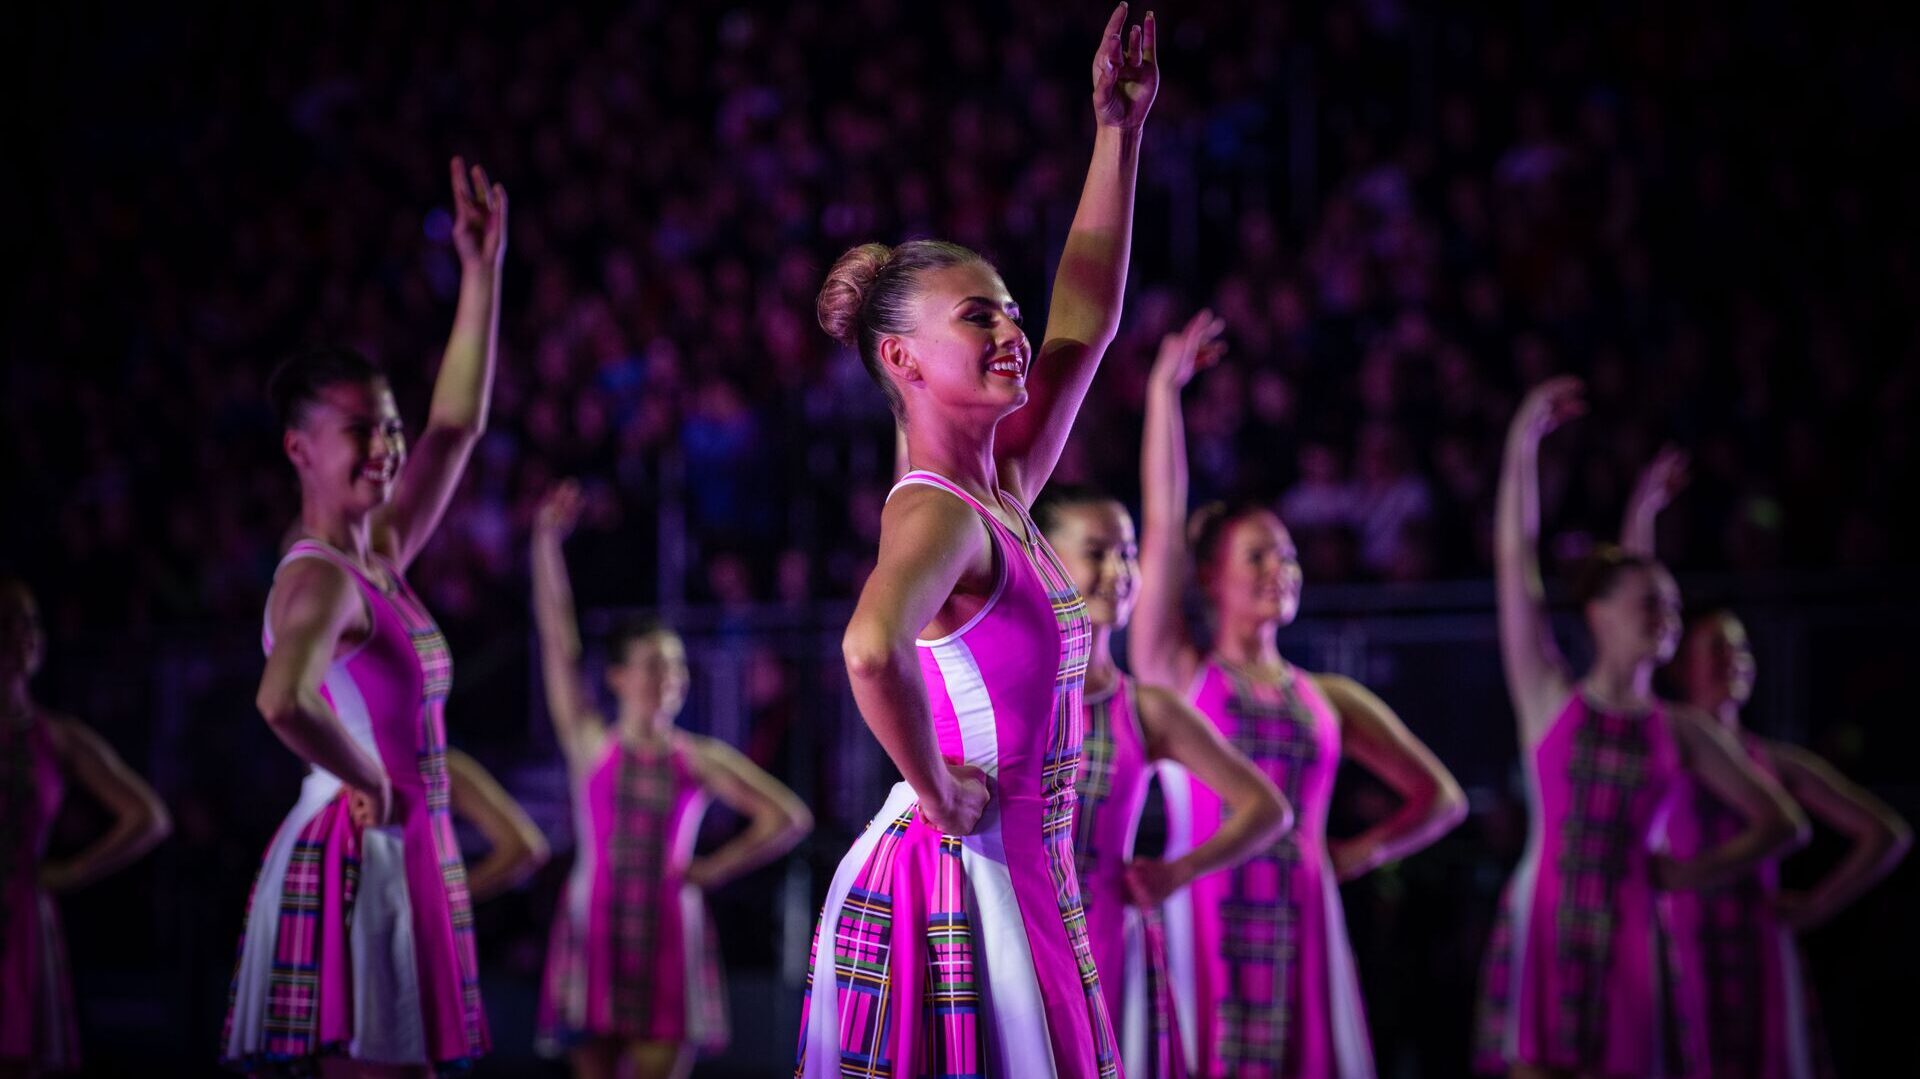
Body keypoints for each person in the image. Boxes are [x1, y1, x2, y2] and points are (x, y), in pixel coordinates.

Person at [796, 6, 1157, 1074]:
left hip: (1030, 877)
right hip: (974, 881)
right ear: (903, 359)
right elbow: (868, 646)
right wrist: (936, 784)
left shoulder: (998, 484)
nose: (1011, 332)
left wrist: (1119, 134)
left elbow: (1082, 317)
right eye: (979, 318)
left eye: (1006, 310)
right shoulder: (941, 510)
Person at [222, 158, 506, 1077]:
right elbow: (280, 698)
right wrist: (368, 780)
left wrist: (481, 270)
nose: (387, 446)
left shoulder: (374, 552)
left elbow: (454, 425)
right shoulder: (321, 580)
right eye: (363, 430)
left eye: (387, 426)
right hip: (364, 841)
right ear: (301, 448)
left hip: (396, 837)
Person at [1131, 311, 1467, 1079]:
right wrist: (1163, 394)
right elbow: (1160, 524)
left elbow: (1440, 798)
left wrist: (1353, 853)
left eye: (1288, 554)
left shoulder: (1329, 697)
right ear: (1210, 576)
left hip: (1301, 920)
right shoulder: (1180, 670)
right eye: (1260, 554)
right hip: (1204, 910)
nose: (1282, 566)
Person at [1474, 377, 1808, 1079]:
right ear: (1598, 612)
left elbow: (1781, 820)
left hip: (1634, 923)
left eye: (1674, 606)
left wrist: (1691, 873)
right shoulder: (1547, 695)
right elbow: (1515, 558)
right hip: (1551, 913)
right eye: (1651, 602)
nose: (1668, 615)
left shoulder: (1679, 729)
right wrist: (1521, 445)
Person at [1623, 450, 1913, 1079]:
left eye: (1742, 650)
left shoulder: (1772, 762)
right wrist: (1642, 513)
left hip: (1757, 948)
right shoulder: (1670, 739)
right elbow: (1634, 620)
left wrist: (1816, 907)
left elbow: (1886, 832)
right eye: (1719, 649)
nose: (1736, 661)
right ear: (1683, 665)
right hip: (1681, 946)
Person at [530, 481, 812, 1079]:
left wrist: (713, 868)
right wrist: (544, 544)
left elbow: (788, 817)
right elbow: (559, 642)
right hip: (596, 924)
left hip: (667, 932)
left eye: (678, 666)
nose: (672, 678)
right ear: (618, 678)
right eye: (657, 665)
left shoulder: (698, 756)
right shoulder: (591, 743)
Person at [1033, 487, 1291, 1079]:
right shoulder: (1010, 693)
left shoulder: (1143, 708)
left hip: (1106, 941)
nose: (1119, 572)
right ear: (1042, 558)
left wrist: (1175, 872)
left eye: (1126, 555)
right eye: (1097, 553)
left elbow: (1267, 808)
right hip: (1014, 931)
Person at [1, 579, 172, 1078]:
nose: (24, 635)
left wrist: (72, 872)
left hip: (22, 921)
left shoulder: (57, 736)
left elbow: (149, 817)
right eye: (9, 624)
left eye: (31, 623)